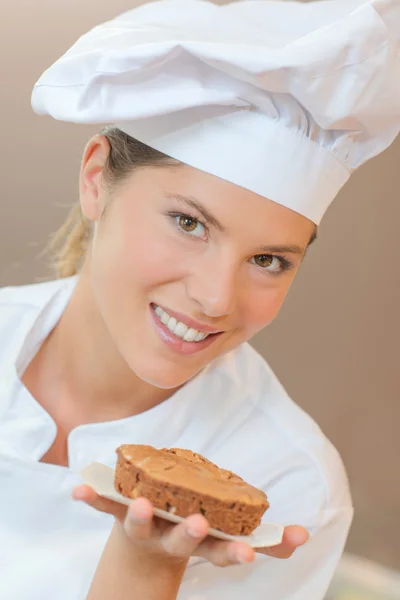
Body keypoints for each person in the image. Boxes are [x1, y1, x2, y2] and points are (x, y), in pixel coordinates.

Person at [1, 0, 399, 598]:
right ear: (95, 179)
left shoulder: (292, 487)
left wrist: (149, 566)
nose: (215, 298)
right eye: (189, 223)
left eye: (268, 261)